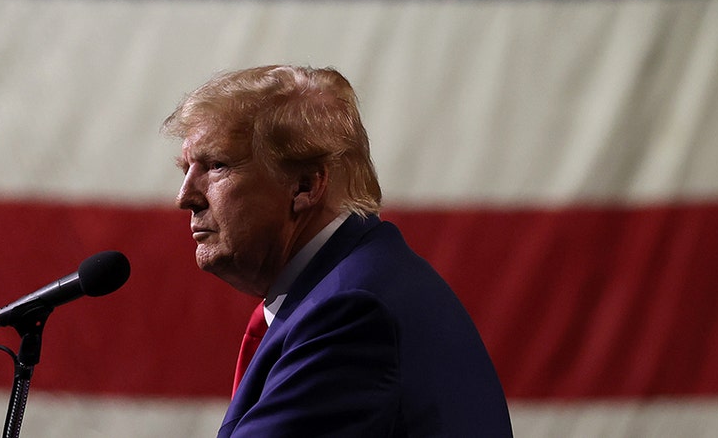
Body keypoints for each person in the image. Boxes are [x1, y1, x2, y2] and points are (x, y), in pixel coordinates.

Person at [163, 65, 513, 437]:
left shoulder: (350, 312)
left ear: (305, 185)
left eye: (217, 166)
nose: (185, 197)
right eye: (186, 169)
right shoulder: (355, 284)